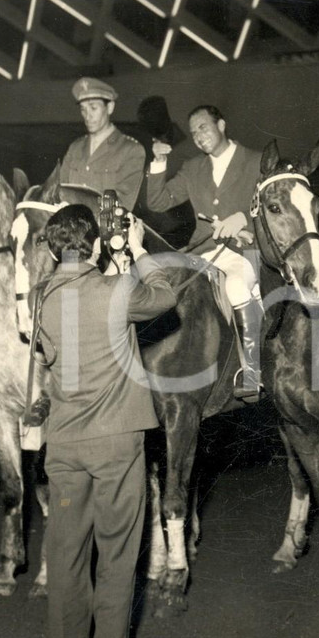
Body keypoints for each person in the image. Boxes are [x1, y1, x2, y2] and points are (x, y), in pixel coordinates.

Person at [33, 205, 176, 638]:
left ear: (55, 249)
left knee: (67, 559)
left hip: (65, 445)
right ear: (94, 244)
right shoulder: (115, 290)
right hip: (116, 443)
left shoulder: (41, 297)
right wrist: (136, 250)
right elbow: (164, 296)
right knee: (116, 560)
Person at [145, 104, 263, 401]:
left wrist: (245, 219)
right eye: (194, 131)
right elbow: (158, 201)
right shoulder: (193, 168)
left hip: (243, 250)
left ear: (221, 125)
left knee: (235, 287)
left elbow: (277, 211)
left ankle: (252, 371)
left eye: (204, 127)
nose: (198, 136)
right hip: (203, 252)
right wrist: (158, 161)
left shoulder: (256, 161)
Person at [59, 77, 146, 212]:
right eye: (83, 109)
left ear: (110, 107)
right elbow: (59, 191)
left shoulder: (131, 150)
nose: (88, 116)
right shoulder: (75, 148)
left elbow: (120, 207)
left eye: (93, 108)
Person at [134, 95, 199, 248]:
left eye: (154, 118)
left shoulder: (187, 147)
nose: (150, 124)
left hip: (180, 225)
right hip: (154, 226)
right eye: (146, 121)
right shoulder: (147, 146)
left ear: (165, 117)